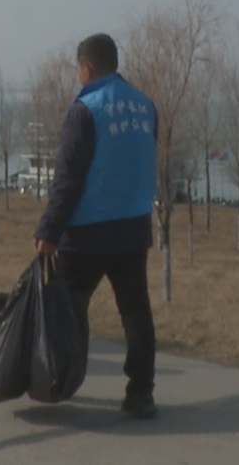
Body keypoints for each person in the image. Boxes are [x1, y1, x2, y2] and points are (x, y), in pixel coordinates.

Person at [33, 33, 159, 420]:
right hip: (133, 227)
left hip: (87, 231)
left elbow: (68, 178)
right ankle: (141, 393)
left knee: (68, 307)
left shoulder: (85, 109)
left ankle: (60, 378)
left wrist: (49, 230)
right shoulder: (145, 106)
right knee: (135, 313)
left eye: (77, 69)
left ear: (86, 68)